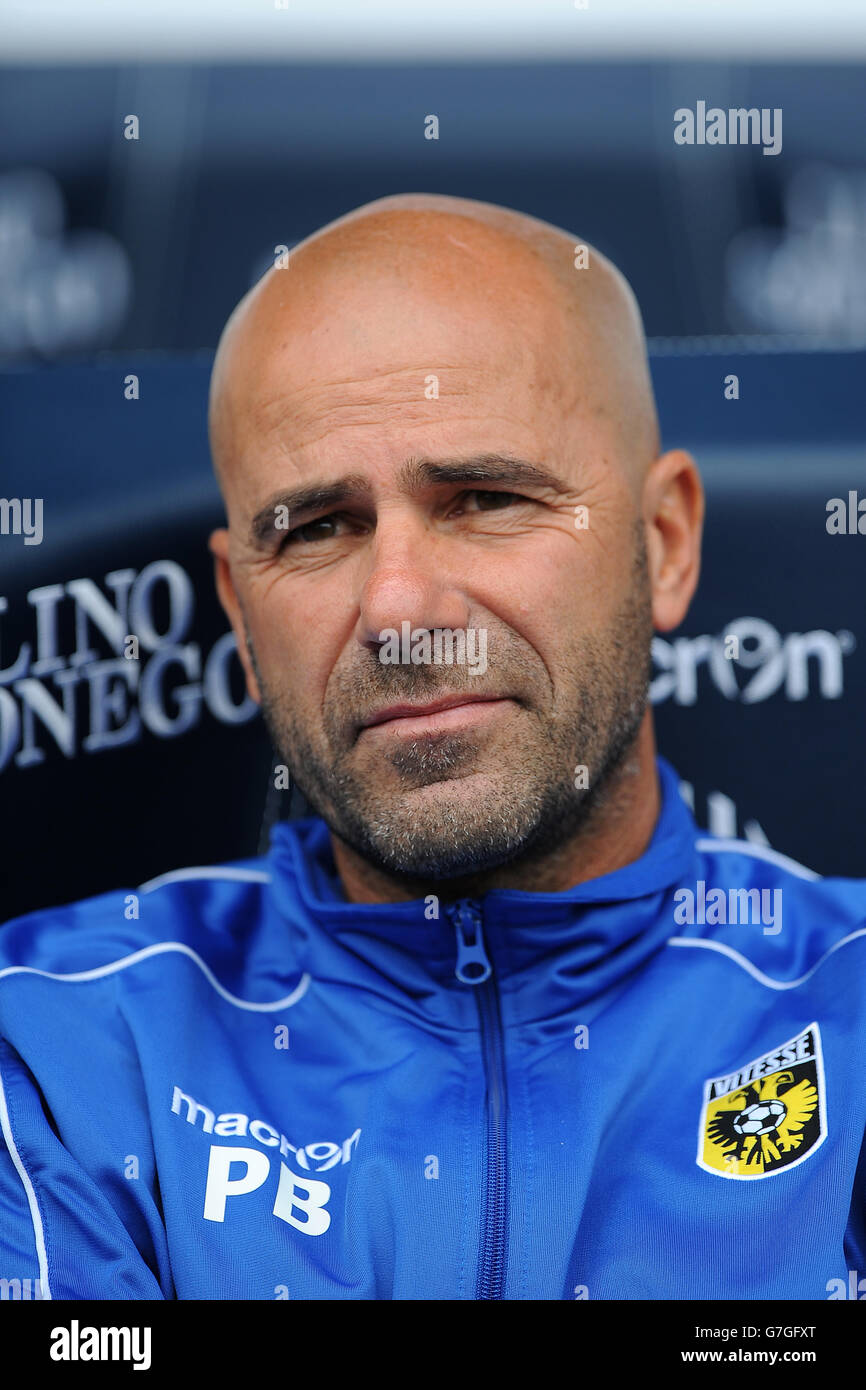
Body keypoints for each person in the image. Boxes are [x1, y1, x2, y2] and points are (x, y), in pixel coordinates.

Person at [1, 194, 864, 1301]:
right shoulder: (56, 1048)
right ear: (241, 612)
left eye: (483, 499)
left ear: (663, 544)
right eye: (316, 528)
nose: (398, 607)